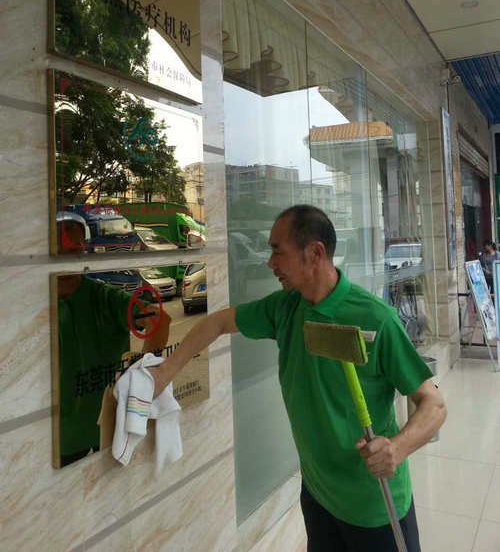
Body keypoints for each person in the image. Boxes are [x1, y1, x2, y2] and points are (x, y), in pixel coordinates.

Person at [148, 205, 446, 551]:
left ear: (315, 253)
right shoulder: (285, 308)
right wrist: (164, 373)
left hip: (374, 506)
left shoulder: (377, 318)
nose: (270, 263)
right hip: (318, 496)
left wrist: (397, 448)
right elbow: (217, 323)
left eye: (278, 251)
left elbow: (434, 404)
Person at [56, 212, 170, 467]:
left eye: (75, 249)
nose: (69, 257)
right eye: (61, 250)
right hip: (61, 437)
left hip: (110, 425)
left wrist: (144, 376)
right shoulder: (38, 305)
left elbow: (158, 319)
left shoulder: (104, 298)